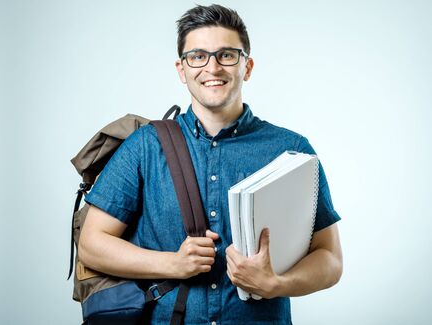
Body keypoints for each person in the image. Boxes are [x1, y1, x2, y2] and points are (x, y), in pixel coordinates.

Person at [79, 4, 343, 324]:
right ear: (182, 69)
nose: (212, 67)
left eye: (227, 55)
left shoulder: (292, 150)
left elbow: (329, 258)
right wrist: (172, 264)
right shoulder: (145, 147)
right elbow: (92, 245)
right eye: (198, 56)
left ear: (247, 66)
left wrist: (276, 284)